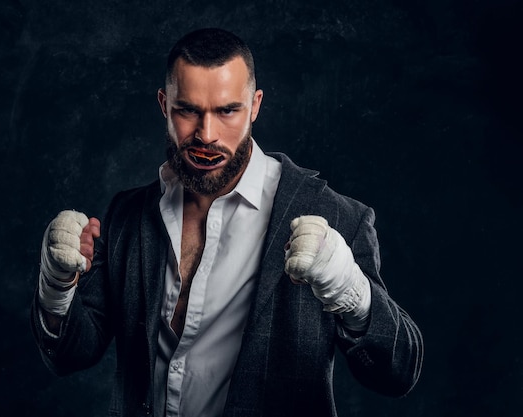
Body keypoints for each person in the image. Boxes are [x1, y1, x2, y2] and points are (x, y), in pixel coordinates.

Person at [31, 28, 423, 417]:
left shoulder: (335, 216)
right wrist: (56, 286)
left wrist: (350, 291)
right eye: (188, 110)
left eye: (227, 110)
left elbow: (397, 373)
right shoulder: (128, 213)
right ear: (164, 104)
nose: (207, 134)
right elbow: (71, 355)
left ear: (255, 106)